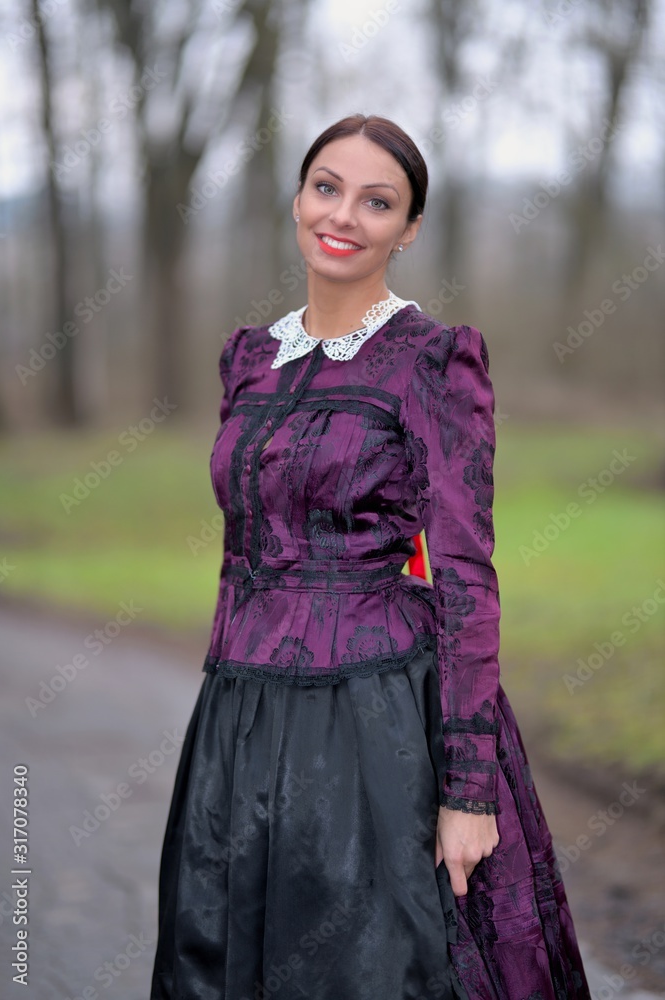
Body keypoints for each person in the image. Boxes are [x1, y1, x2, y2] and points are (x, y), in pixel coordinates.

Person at [150, 113, 591, 1000]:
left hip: (377, 716)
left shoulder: (431, 362)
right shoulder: (250, 359)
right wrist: (224, 726)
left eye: (376, 201)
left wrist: (467, 792)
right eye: (326, 187)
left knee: (374, 966)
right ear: (297, 199)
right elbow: (240, 553)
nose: (343, 215)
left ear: (408, 228)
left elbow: (463, 575)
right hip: (238, 716)